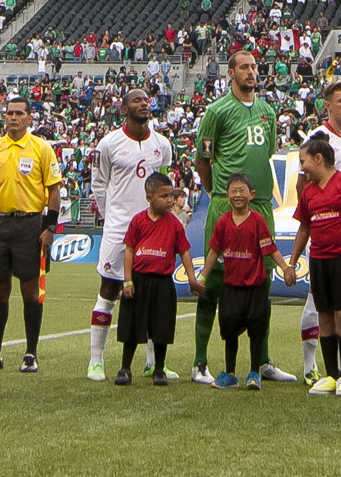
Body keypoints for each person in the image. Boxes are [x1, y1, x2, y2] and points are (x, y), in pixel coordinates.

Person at [191, 46, 279, 384]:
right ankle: (200, 362)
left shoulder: (267, 112)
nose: (251, 72)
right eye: (243, 67)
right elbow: (203, 160)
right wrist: (220, 194)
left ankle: (264, 361)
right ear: (230, 73)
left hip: (260, 207)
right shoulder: (217, 111)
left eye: (254, 66)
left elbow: (267, 152)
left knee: (263, 280)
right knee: (214, 281)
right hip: (225, 205)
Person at [84, 90, 175, 383]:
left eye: (146, 100)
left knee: (150, 292)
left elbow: (163, 182)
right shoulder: (109, 143)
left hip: (154, 228)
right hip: (120, 228)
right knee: (109, 290)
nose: (143, 103)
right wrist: (113, 215)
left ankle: (151, 363)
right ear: (123, 108)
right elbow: (99, 183)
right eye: (136, 100)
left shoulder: (162, 144)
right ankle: (96, 360)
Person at [0, 93, 59, 371]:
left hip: (29, 224)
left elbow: (54, 190)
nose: (14, 118)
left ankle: (30, 354)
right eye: (9, 113)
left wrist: (49, 227)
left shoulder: (42, 149)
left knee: (30, 290)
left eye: (19, 114)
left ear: (30, 118)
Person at [284, 132, 341, 396]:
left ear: (318, 158)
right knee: (324, 316)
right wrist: (291, 263)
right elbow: (304, 228)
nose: (301, 167)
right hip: (319, 261)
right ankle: (330, 376)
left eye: (303, 162)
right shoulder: (309, 192)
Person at [117, 171, 197, 386]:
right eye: (164, 196)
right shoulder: (138, 221)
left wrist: (192, 278)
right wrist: (127, 281)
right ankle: (125, 368)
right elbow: (129, 250)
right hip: (139, 280)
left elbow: (185, 252)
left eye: (171, 195)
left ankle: (159, 369)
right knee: (132, 327)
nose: (169, 200)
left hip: (163, 282)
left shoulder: (174, 224)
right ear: (149, 197)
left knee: (161, 328)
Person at [204, 173, 279, 388]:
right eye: (234, 191)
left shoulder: (257, 220)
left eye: (242, 191)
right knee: (229, 331)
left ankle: (254, 373)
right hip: (231, 287)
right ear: (227, 195)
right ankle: (230, 374)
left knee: (257, 330)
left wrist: (285, 268)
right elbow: (213, 251)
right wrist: (201, 278)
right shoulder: (222, 222)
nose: (238, 195)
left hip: (255, 286)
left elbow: (270, 248)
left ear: (251, 194)